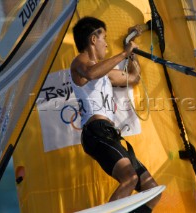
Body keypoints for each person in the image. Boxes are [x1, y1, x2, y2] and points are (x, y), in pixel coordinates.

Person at [70, 16, 160, 212]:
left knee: (152, 189)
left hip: (109, 133)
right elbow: (91, 73)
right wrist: (122, 54)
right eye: (104, 38)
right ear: (93, 39)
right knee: (130, 178)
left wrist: (130, 53)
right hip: (95, 132)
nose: (106, 45)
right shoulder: (80, 61)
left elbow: (133, 78)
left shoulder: (104, 71)